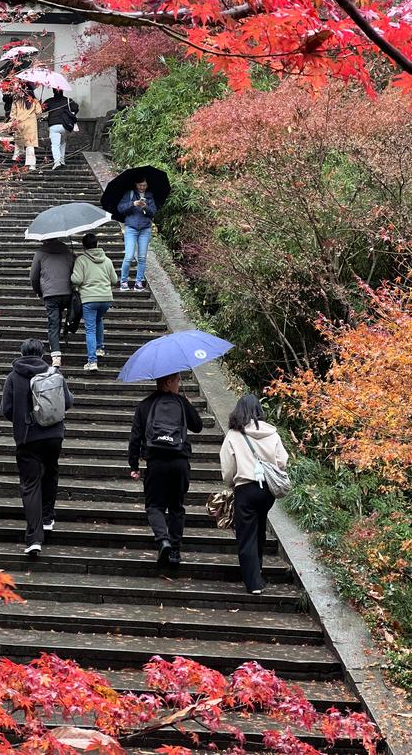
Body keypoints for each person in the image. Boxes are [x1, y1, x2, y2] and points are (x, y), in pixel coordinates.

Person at [0, 338, 73, 557]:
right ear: (42, 354)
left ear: (22, 353)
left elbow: (6, 409)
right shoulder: (54, 374)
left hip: (27, 437)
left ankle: (34, 539)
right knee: (51, 472)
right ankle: (48, 518)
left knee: (30, 484)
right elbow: (67, 402)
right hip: (53, 435)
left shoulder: (13, 377)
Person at [128, 372, 203, 565]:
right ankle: (175, 552)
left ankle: (163, 540)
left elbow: (135, 437)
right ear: (168, 382)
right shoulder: (181, 403)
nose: (180, 383)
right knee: (176, 507)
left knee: (154, 506)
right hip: (179, 462)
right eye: (178, 380)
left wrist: (134, 465)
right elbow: (198, 426)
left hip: (155, 463)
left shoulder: (145, 405)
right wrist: (186, 403)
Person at [219, 395, 288, 594]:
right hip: (267, 491)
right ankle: (257, 571)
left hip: (245, 488)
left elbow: (228, 467)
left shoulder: (234, 434)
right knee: (258, 532)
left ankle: (254, 583)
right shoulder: (271, 433)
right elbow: (282, 460)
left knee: (246, 535)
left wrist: (231, 482)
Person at [70, 232, 117, 371]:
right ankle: (100, 348)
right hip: (106, 298)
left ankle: (92, 361)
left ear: (84, 246)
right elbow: (114, 280)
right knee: (99, 320)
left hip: (89, 299)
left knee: (90, 328)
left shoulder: (81, 260)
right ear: (97, 244)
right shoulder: (107, 260)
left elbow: (76, 280)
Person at [30, 239, 75, 369]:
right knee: (67, 315)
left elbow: (33, 276)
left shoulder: (40, 253)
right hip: (67, 292)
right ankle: (66, 331)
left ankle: (56, 357)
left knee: (53, 323)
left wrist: (39, 291)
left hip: (50, 294)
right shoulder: (67, 252)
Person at [118, 179, 157, 291]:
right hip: (131, 227)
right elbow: (121, 208)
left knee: (142, 257)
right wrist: (133, 203)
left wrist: (145, 207)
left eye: (144, 185)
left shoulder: (149, 196)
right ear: (136, 184)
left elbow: (153, 212)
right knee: (129, 256)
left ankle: (138, 282)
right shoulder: (130, 194)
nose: (142, 187)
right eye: (140, 185)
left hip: (145, 229)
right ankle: (123, 281)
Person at [43, 89, 79, 170]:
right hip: (65, 125)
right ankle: (62, 161)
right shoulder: (68, 100)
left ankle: (57, 162)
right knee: (62, 143)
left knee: (55, 144)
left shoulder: (49, 101)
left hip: (54, 125)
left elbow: (42, 109)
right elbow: (76, 108)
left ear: (53, 92)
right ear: (62, 91)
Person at [10, 82, 42, 171]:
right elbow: (39, 113)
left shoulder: (16, 100)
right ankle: (31, 165)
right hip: (31, 125)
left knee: (18, 141)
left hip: (19, 123)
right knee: (30, 144)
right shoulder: (35, 100)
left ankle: (16, 158)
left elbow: (12, 114)